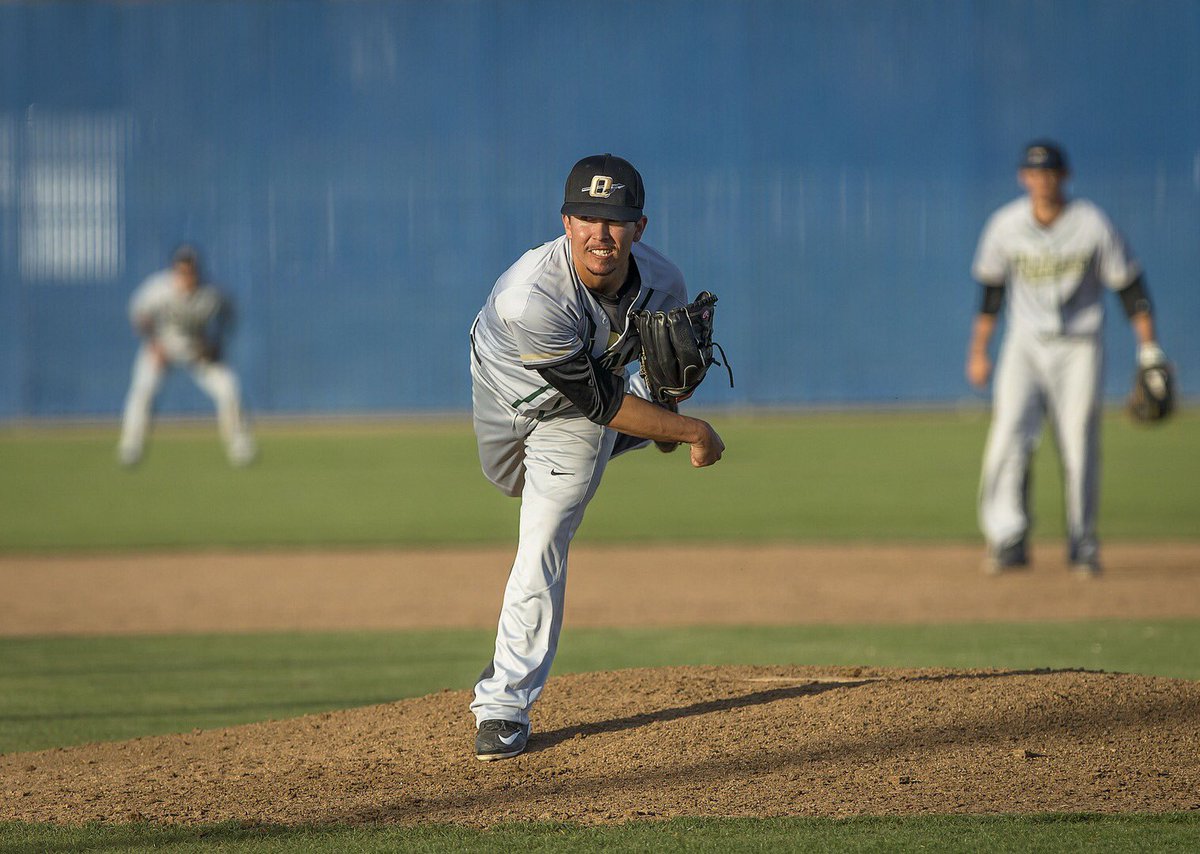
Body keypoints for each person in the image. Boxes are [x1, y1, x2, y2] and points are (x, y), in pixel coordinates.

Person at [467, 154, 725, 760]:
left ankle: (503, 703)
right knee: (513, 483)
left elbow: (614, 399)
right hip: (506, 392)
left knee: (546, 529)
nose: (600, 234)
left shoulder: (665, 283)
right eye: (587, 217)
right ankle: (628, 432)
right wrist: (686, 430)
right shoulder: (530, 295)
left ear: (640, 226)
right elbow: (605, 400)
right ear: (565, 222)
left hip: (575, 420)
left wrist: (669, 402)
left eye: (615, 219)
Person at [966, 141, 1167, 578]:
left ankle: (1083, 543)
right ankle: (1008, 538)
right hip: (1025, 343)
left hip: (1079, 345)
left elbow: (1130, 288)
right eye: (1034, 172)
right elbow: (992, 293)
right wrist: (979, 349)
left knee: (1078, 443)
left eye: (1050, 172)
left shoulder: (1092, 224)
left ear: (1064, 176)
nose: (1042, 180)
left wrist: (1149, 350)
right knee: (1007, 436)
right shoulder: (1005, 225)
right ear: (1023, 177)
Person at [117, 245, 257, 467]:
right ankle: (131, 446)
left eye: (190, 271)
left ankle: (239, 444)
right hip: (162, 346)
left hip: (195, 348)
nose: (186, 276)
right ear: (174, 271)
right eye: (181, 271)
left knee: (229, 388)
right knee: (143, 389)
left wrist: (216, 343)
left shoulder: (210, 294)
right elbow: (139, 314)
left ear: (197, 271)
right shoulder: (158, 289)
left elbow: (228, 314)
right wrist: (154, 344)